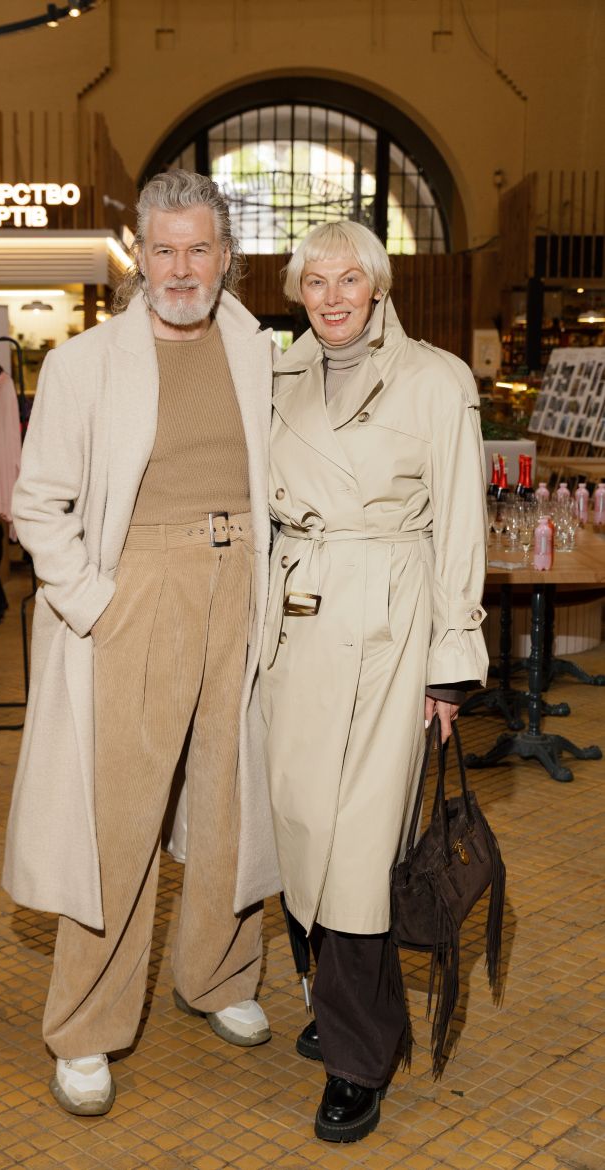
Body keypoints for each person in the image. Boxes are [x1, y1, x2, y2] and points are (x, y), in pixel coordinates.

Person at [3, 170, 281, 1116]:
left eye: (199, 248)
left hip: (242, 584)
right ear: (139, 257)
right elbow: (38, 503)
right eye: (164, 249)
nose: (182, 268)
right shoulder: (84, 363)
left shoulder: (259, 350)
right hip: (139, 591)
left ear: (227, 257)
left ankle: (219, 975)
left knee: (233, 799)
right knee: (118, 820)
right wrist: (93, 601)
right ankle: (85, 1027)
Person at [260, 220, 489, 1143]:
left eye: (349, 278)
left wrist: (451, 666)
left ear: (380, 286)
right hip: (292, 627)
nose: (332, 297)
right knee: (300, 832)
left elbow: (461, 524)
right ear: (298, 293)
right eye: (315, 281)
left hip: (390, 627)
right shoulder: (276, 377)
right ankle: (344, 1005)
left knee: (358, 850)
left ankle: (358, 1057)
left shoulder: (436, 379)